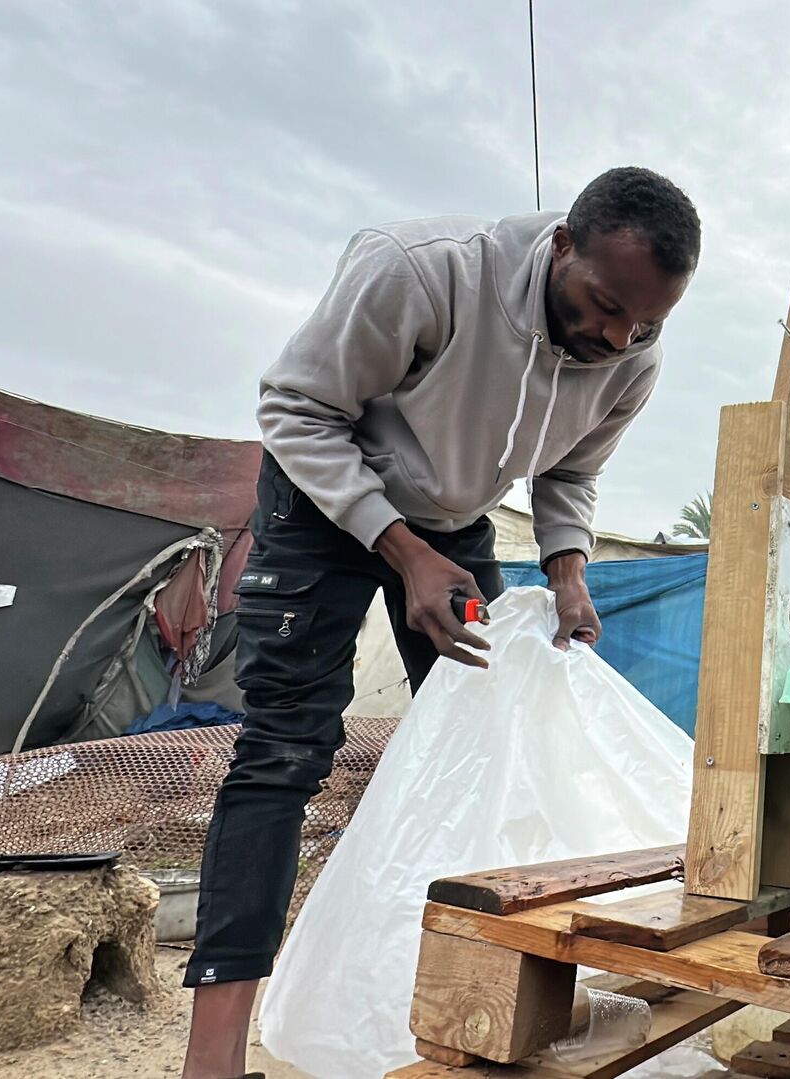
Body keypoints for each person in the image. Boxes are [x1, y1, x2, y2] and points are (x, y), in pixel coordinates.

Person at [180, 167, 701, 1079]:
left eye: (647, 323)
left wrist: (568, 571)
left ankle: (465, 1005)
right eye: (607, 306)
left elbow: (569, 473)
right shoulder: (421, 273)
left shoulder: (632, 357)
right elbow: (295, 408)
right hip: (324, 500)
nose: (619, 337)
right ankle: (212, 1059)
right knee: (285, 752)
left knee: (489, 735)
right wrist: (402, 550)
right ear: (562, 246)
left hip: (456, 522)